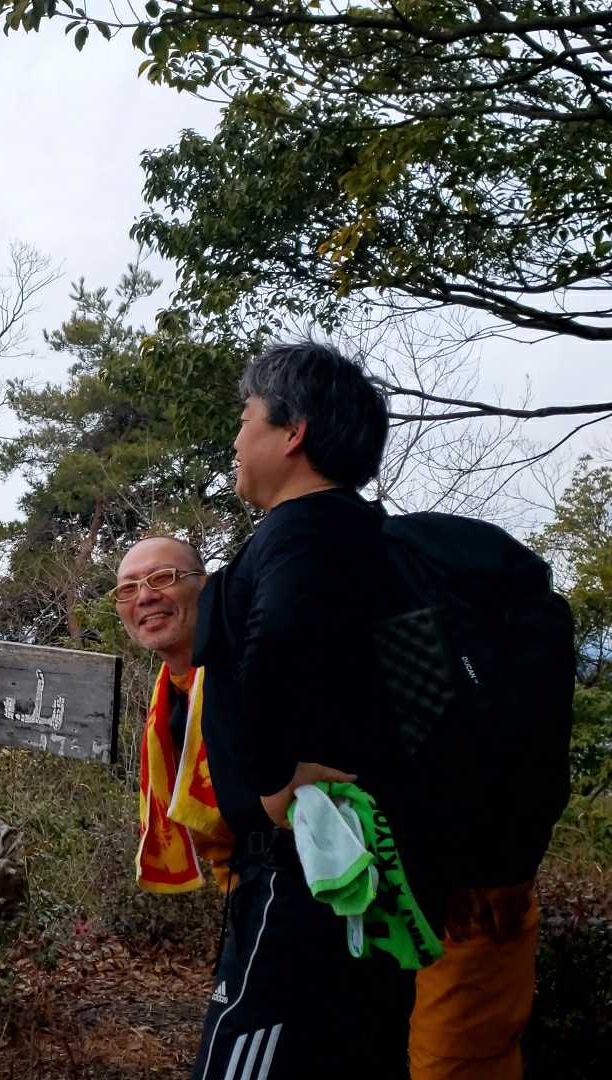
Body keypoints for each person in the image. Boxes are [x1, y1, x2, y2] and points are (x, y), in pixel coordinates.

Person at [189, 341, 428, 1079]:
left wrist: (269, 779)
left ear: (292, 433)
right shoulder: (368, 537)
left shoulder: (301, 530)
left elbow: (280, 640)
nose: (236, 440)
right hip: (360, 865)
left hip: (303, 872)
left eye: (246, 419)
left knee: (244, 1055)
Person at [115, 537, 232, 895]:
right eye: (128, 589)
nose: (144, 597)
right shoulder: (171, 693)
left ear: (205, 586)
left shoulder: (249, 668)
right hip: (241, 883)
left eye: (163, 577)